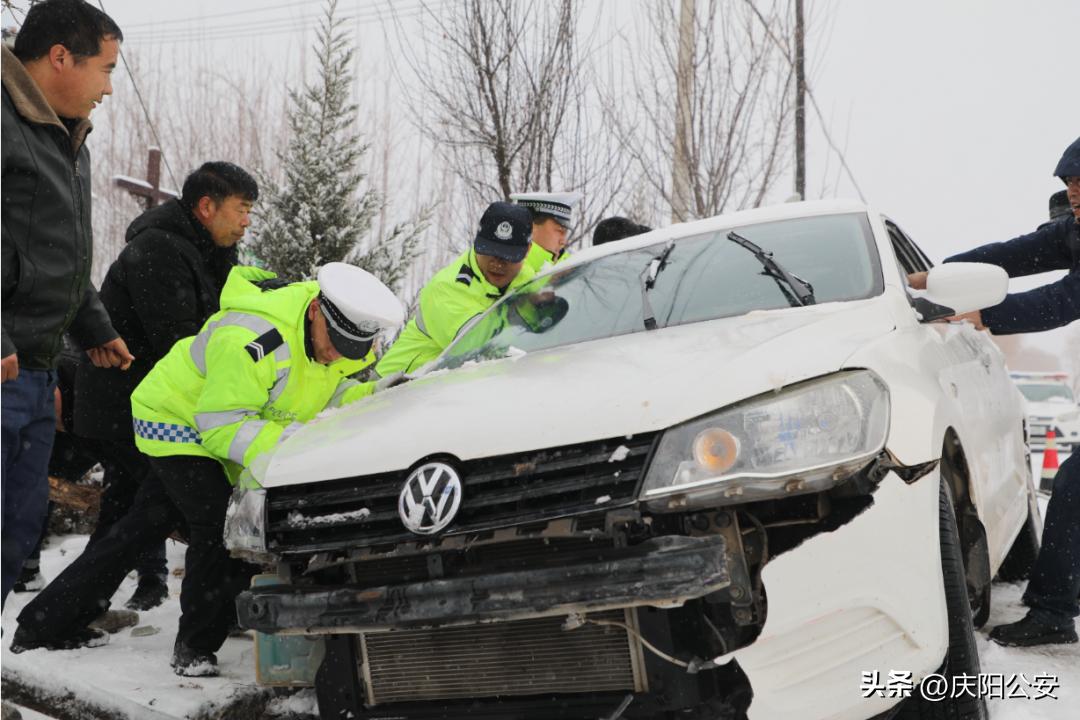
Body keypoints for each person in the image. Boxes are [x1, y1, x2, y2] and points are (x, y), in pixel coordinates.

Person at [12, 262, 404, 675]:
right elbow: (220, 427)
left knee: (143, 525)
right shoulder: (253, 339)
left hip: (225, 419)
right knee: (221, 524)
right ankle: (195, 648)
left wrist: (375, 396)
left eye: (351, 348)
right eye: (335, 342)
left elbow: (332, 391)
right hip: (175, 418)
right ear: (314, 311)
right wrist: (290, 449)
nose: (338, 354)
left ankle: (43, 624)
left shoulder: (342, 341)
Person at [910, 136, 1079, 646]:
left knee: (1074, 482)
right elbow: (1011, 256)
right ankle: (1053, 602)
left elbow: (1066, 298)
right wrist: (937, 277)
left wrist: (986, 315)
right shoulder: (1073, 231)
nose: (1074, 194)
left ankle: (1054, 609)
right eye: (1070, 184)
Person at [74, 161, 257, 610]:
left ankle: (78, 606)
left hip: (146, 403)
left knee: (129, 510)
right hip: (127, 404)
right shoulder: (158, 250)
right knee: (169, 506)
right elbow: (181, 343)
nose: (247, 221)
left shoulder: (211, 252)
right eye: (242, 209)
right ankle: (211, 609)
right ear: (207, 207)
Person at [1, 0, 133, 608]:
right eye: (105, 69)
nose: (109, 88)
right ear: (60, 57)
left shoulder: (65, 137)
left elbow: (59, 252)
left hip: (31, 372)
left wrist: (92, 324)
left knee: (13, 539)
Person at [376, 201, 536, 376]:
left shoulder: (526, 277)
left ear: (528, 250)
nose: (497, 263)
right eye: (490, 251)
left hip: (447, 387)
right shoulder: (445, 288)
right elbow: (479, 348)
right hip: (392, 391)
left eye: (508, 256)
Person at [510, 191, 582, 273]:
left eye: (565, 233)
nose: (563, 241)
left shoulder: (573, 267)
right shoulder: (507, 271)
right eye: (559, 231)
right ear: (530, 227)